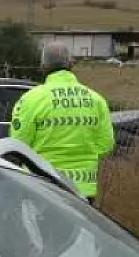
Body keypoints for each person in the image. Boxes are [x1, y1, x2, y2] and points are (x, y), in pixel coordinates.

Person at [8, 41, 115, 203]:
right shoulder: (96, 100)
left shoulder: (30, 100)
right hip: (83, 190)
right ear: (71, 64)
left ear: (43, 66)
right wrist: (84, 155)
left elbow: (19, 144)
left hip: (42, 186)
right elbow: (106, 144)